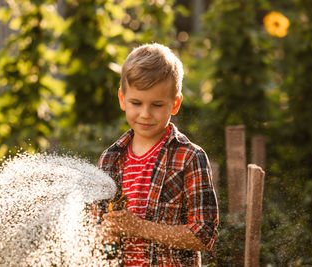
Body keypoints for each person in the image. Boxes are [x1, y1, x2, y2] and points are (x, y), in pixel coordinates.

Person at [93, 43, 219, 266]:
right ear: (122, 99)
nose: (145, 114)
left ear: (175, 103)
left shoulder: (189, 158)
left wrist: (140, 227)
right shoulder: (110, 159)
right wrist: (105, 235)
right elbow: (97, 233)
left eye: (157, 105)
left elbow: (204, 234)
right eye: (136, 103)